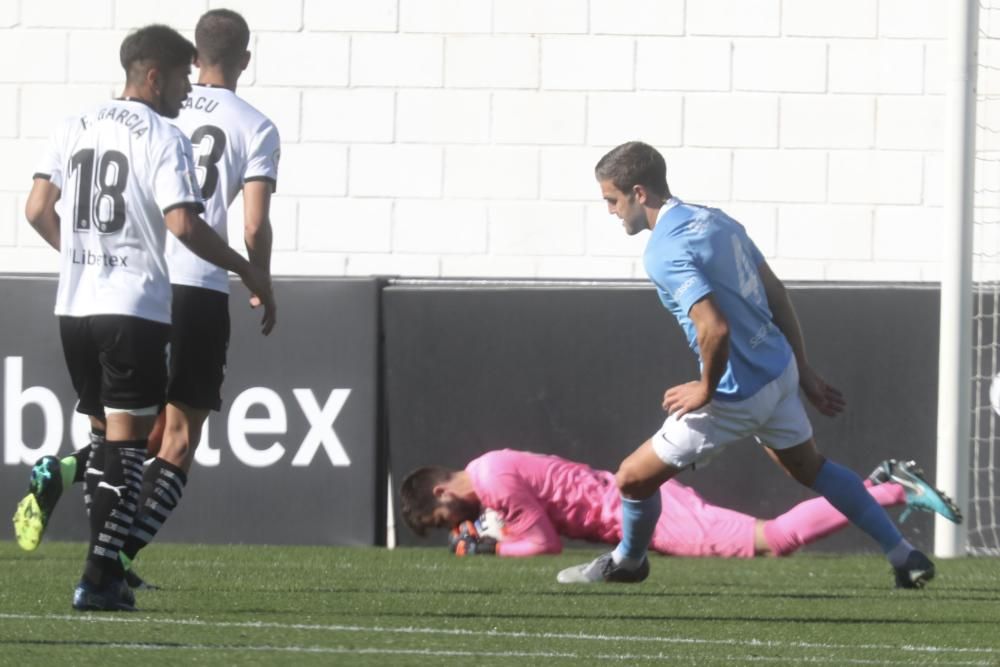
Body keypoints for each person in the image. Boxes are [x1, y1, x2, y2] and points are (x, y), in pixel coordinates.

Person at [555, 141, 937, 588]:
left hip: (735, 393)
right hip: (778, 371)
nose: (611, 211)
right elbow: (776, 292)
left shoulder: (663, 249)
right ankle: (903, 553)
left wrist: (704, 388)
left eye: (612, 200)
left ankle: (629, 561)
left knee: (632, 480)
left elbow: (713, 328)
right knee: (809, 467)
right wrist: (804, 369)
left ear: (639, 192)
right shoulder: (716, 221)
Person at [13, 9, 281, 589]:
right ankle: (112, 563)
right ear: (244, 59)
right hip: (177, 286)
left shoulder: (82, 121)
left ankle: (74, 497)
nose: (186, 91)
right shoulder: (234, 126)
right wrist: (255, 274)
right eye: (177, 80)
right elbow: (238, 225)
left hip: (92, 293)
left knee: (122, 436)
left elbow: (37, 209)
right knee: (170, 443)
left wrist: (83, 255)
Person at [400, 450, 961, 558]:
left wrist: (490, 551)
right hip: (637, 509)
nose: (455, 525)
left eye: (442, 518)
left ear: (443, 493)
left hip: (645, 514)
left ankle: (893, 489)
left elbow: (542, 544)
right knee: (772, 539)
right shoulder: (490, 468)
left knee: (773, 540)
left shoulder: (493, 481)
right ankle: (880, 484)